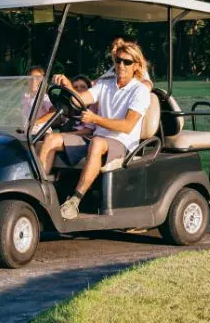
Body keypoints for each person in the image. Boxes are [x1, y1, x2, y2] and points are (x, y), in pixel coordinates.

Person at [39, 40, 151, 219]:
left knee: (97, 143)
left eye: (127, 62)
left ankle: (75, 200)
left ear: (136, 65)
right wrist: (67, 87)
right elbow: (80, 99)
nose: (121, 65)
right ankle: (40, 194)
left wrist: (96, 119)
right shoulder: (106, 85)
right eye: (118, 60)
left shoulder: (140, 91)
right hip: (98, 138)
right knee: (51, 139)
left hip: (122, 142)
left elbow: (127, 126)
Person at [22, 66, 54, 133]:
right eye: (31, 78)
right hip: (24, 130)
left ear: (42, 81)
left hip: (40, 132)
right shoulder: (24, 96)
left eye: (38, 78)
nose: (34, 80)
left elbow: (53, 112)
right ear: (27, 80)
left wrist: (35, 122)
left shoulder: (44, 97)